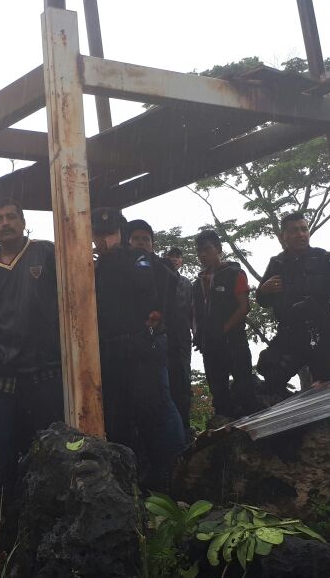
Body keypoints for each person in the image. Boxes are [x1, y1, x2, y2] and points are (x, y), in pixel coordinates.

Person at [0, 199, 62, 513]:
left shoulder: (47, 253)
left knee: (49, 446)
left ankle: (48, 513)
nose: (4, 223)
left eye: (10, 217)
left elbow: (76, 295)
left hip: (42, 372)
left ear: (22, 221)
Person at [95, 210, 184, 490]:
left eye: (110, 233)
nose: (104, 240)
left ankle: (174, 474)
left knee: (155, 409)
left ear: (120, 234)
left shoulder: (138, 259)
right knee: (119, 416)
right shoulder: (92, 267)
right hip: (111, 352)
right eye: (98, 234)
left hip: (143, 347)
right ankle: (132, 479)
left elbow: (158, 287)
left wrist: (157, 322)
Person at [255, 212, 330, 398]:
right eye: (294, 231)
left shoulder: (325, 259)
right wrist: (263, 291)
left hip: (322, 332)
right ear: (283, 236)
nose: (301, 234)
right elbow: (262, 301)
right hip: (289, 334)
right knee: (271, 373)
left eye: (304, 229)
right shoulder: (277, 263)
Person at [129, 223, 195, 431]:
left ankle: (182, 439)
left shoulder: (167, 271)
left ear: (153, 244)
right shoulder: (120, 266)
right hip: (132, 342)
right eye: (136, 238)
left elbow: (188, 311)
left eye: (146, 239)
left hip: (168, 339)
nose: (141, 243)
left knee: (172, 390)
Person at [192, 230, 260, 419]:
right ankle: (225, 437)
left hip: (234, 341)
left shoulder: (234, 273)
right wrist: (198, 335)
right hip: (210, 346)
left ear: (219, 249)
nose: (203, 255)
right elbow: (195, 314)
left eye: (207, 249)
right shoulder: (196, 284)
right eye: (199, 251)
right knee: (218, 393)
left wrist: (222, 331)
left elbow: (244, 307)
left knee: (245, 389)